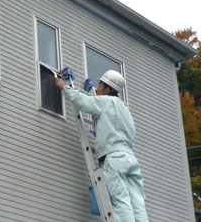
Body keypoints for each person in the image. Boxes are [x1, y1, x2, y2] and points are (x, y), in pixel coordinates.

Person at [55, 69, 149, 222]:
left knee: (121, 202)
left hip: (115, 160)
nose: (97, 89)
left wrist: (65, 87)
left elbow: (84, 102)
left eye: (100, 86)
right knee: (138, 203)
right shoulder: (125, 110)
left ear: (107, 89)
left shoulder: (106, 102)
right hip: (131, 160)